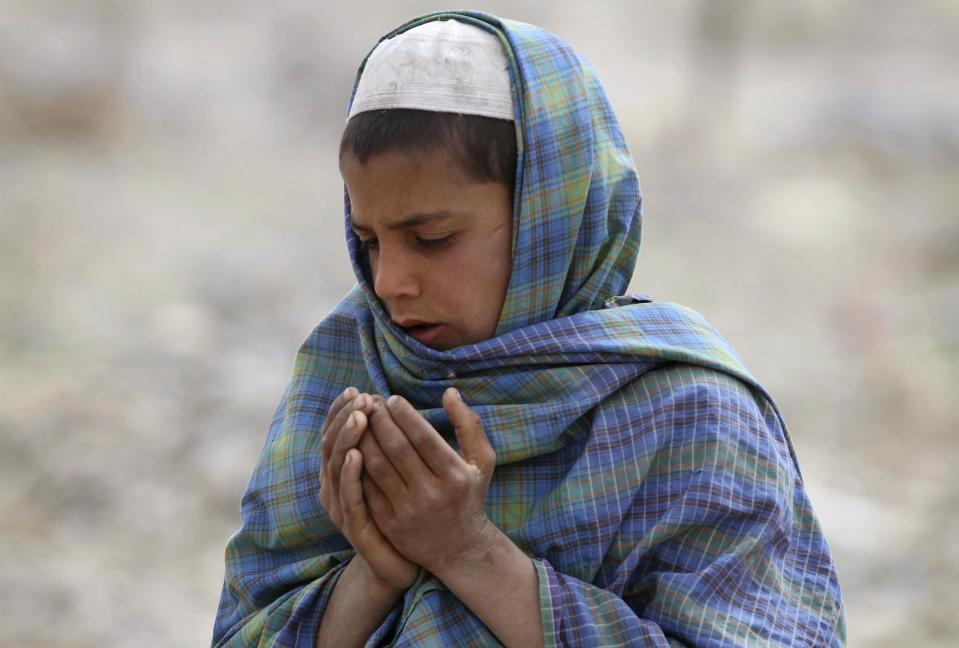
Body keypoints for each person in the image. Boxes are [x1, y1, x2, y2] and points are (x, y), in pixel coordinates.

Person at [212, 11, 846, 647]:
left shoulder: (691, 415)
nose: (388, 283)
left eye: (432, 239)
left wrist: (469, 553)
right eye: (368, 240)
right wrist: (374, 568)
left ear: (551, 214)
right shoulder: (348, 369)